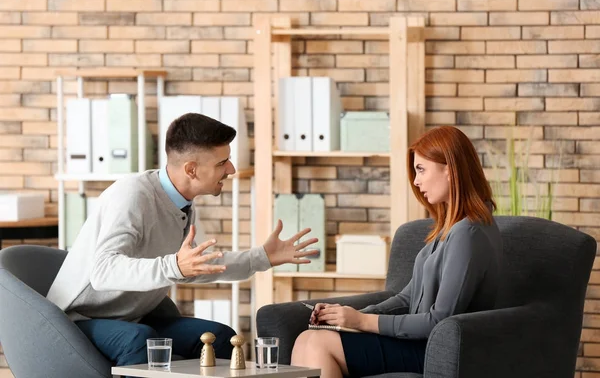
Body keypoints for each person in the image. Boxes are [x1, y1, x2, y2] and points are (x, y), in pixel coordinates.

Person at [47, 113, 318, 368]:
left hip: (132, 316)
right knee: (136, 340)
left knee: (220, 336)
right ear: (191, 169)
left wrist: (261, 257)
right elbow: (103, 272)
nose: (232, 169)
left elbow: (190, 268)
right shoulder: (133, 196)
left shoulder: (181, 204)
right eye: (222, 162)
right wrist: (174, 267)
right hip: (79, 318)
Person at [291, 125, 503, 377]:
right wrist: (348, 317)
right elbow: (406, 299)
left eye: (421, 169)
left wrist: (362, 322)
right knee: (307, 339)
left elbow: (439, 320)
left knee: (317, 344)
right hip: (418, 343)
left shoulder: (469, 234)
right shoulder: (450, 228)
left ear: (449, 169)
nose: (416, 181)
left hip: (435, 350)